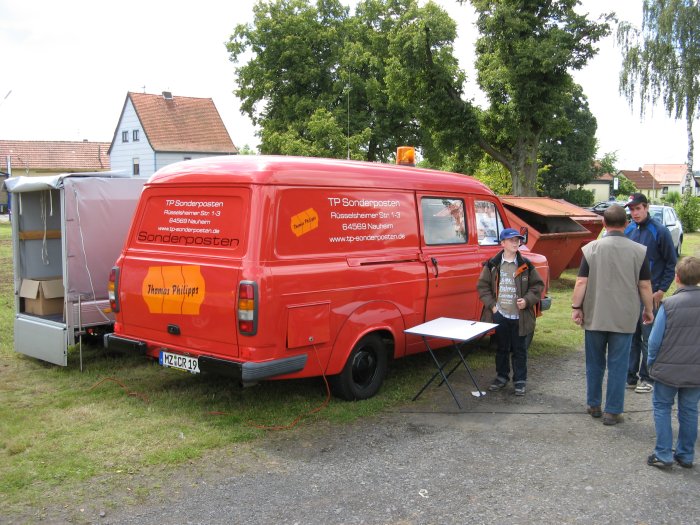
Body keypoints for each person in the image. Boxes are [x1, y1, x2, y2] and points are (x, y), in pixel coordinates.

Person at [571, 205, 654, 425]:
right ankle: (613, 410)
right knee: (618, 364)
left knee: (594, 362)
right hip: (624, 317)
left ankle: (593, 404)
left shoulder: (591, 248)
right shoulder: (639, 250)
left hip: (596, 315)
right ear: (627, 225)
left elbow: (581, 282)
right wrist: (648, 309)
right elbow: (645, 285)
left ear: (603, 224)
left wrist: (576, 307)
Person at [646, 256, 700, 469]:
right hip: (695, 370)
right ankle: (686, 454)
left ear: (676, 278)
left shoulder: (668, 305)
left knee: (662, 407)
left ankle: (663, 453)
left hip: (667, 367)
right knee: (689, 410)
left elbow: (654, 340)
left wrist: (651, 363)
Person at [477, 228, 544, 396]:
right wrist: (493, 306)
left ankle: (520, 380)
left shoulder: (526, 265)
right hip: (501, 314)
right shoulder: (492, 265)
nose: (516, 242)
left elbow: (537, 286)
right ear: (503, 243)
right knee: (501, 348)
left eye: (518, 240)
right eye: (511, 240)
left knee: (520, 349)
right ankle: (501, 377)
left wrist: (527, 300)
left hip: (520, 317)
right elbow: (482, 287)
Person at [624, 192, 677, 393]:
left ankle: (647, 377)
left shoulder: (659, 231)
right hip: (630, 294)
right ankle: (630, 376)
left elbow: (671, 263)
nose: (635, 213)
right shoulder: (628, 230)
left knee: (649, 338)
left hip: (651, 293)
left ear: (646, 207)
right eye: (631, 209)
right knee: (630, 336)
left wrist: (661, 290)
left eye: (638, 208)